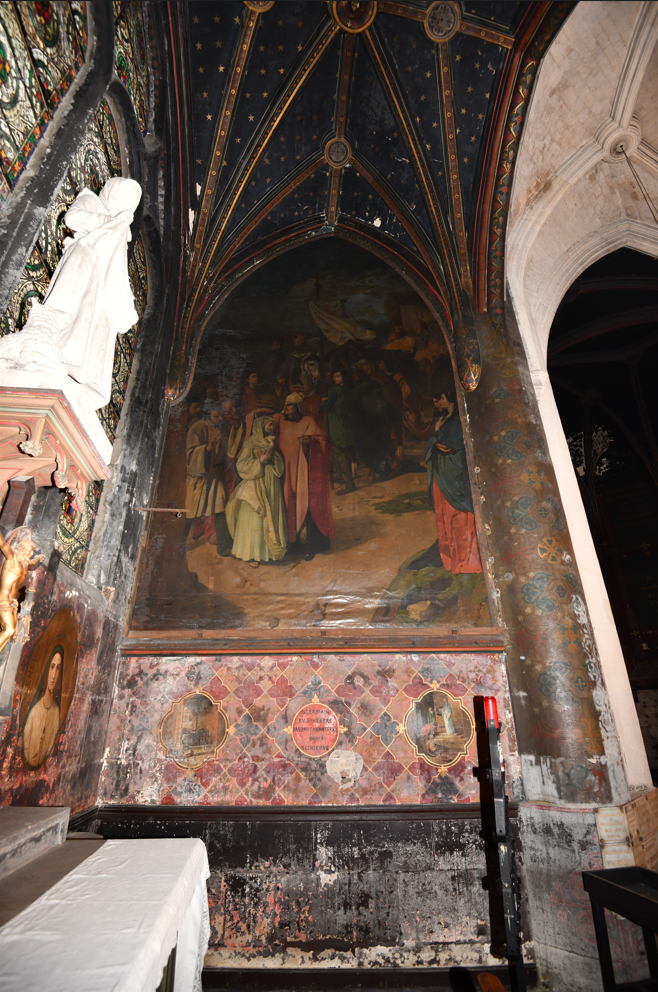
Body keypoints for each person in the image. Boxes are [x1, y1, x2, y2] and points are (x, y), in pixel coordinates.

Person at [423, 388, 481, 574]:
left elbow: (449, 445)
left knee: (461, 519)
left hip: (455, 478)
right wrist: (436, 439)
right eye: (437, 399)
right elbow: (434, 445)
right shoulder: (446, 421)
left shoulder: (457, 422)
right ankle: (454, 561)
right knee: (447, 519)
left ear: (451, 401)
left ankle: (467, 563)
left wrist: (437, 434)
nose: (437, 402)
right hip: (444, 477)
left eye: (440, 398)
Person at [274, 393, 333, 559]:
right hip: (285, 472)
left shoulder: (307, 421)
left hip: (303, 471)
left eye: (290, 405)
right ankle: (293, 543)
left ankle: (315, 544)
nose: (286, 407)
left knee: (307, 506)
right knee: (288, 506)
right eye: (285, 404)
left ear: (298, 407)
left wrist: (311, 441)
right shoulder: (278, 420)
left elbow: (323, 440)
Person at [225, 416, 287, 567]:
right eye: (269, 424)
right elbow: (241, 466)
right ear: (260, 426)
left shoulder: (271, 442)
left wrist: (272, 460)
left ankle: (270, 552)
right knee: (254, 518)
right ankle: (252, 555)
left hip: (271, 482)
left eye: (273, 425)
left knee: (270, 514)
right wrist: (259, 462)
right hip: (255, 483)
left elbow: (279, 464)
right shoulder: (250, 444)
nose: (271, 427)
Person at [185, 401, 232, 553]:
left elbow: (226, 450)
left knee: (220, 506)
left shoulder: (221, 429)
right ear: (208, 415)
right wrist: (207, 449)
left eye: (221, 416)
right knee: (191, 510)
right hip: (201, 475)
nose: (220, 419)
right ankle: (179, 542)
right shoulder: (198, 427)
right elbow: (191, 452)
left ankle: (223, 546)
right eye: (216, 416)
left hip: (217, 473)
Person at [0, 528, 44, 653]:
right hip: (3, 600)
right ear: (23, 549)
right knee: (8, 630)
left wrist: (38, 558)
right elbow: (3, 544)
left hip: (12, 603)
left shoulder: (24, 565)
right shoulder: (12, 559)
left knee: (11, 632)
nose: (30, 554)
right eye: (30, 551)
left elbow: (31, 563)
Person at [23, 647, 63, 768]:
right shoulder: (35, 710)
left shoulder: (56, 711)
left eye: (58, 668)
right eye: (52, 667)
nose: (54, 674)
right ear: (46, 669)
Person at [321, 370, 356, 494]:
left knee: (339, 451)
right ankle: (341, 477)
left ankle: (349, 483)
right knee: (340, 450)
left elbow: (326, 407)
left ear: (344, 377)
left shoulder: (335, 390)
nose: (334, 378)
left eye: (338, 376)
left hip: (335, 422)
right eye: (334, 376)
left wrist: (324, 400)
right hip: (345, 421)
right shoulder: (349, 390)